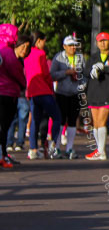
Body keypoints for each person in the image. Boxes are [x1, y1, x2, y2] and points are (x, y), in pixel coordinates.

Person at [24, 31, 64, 159]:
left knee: (35, 121)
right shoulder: (41, 54)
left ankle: (33, 149)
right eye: (44, 41)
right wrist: (51, 90)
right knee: (57, 117)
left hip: (32, 92)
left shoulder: (26, 54)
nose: (44, 44)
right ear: (39, 41)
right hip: (44, 91)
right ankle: (52, 146)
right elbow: (46, 74)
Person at [50, 35, 87, 158]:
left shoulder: (80, 58)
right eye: (70, 45)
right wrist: (66, 72)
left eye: (74, 45)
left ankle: (70, 148)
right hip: (61, 93)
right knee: (60, 120)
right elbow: (52, 75)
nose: (72, 48)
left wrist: (83, 86)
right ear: (64, 46)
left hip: (75, 93)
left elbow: (85, 75)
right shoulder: (58, 58)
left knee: (72, 120)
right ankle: (57, 147)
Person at [86, 32, 109, 160]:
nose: (103, 43)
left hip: (107, 92)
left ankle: (101, 151)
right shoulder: (93, 57)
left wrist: (103, 68)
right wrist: (93, 70)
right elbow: (85, 71)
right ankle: (99, 149)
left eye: (105, 41)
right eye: (100, 41)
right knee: (95, 123)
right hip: (94, 92)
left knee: (101, 121)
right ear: (97, 43)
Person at [1, 25, 29, 168]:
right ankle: (2, 156)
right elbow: (16, 71)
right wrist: (23, 83)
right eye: (15, 34)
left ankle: (3, 154)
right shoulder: (7, 51)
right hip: (7, 93)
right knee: (4, 126)